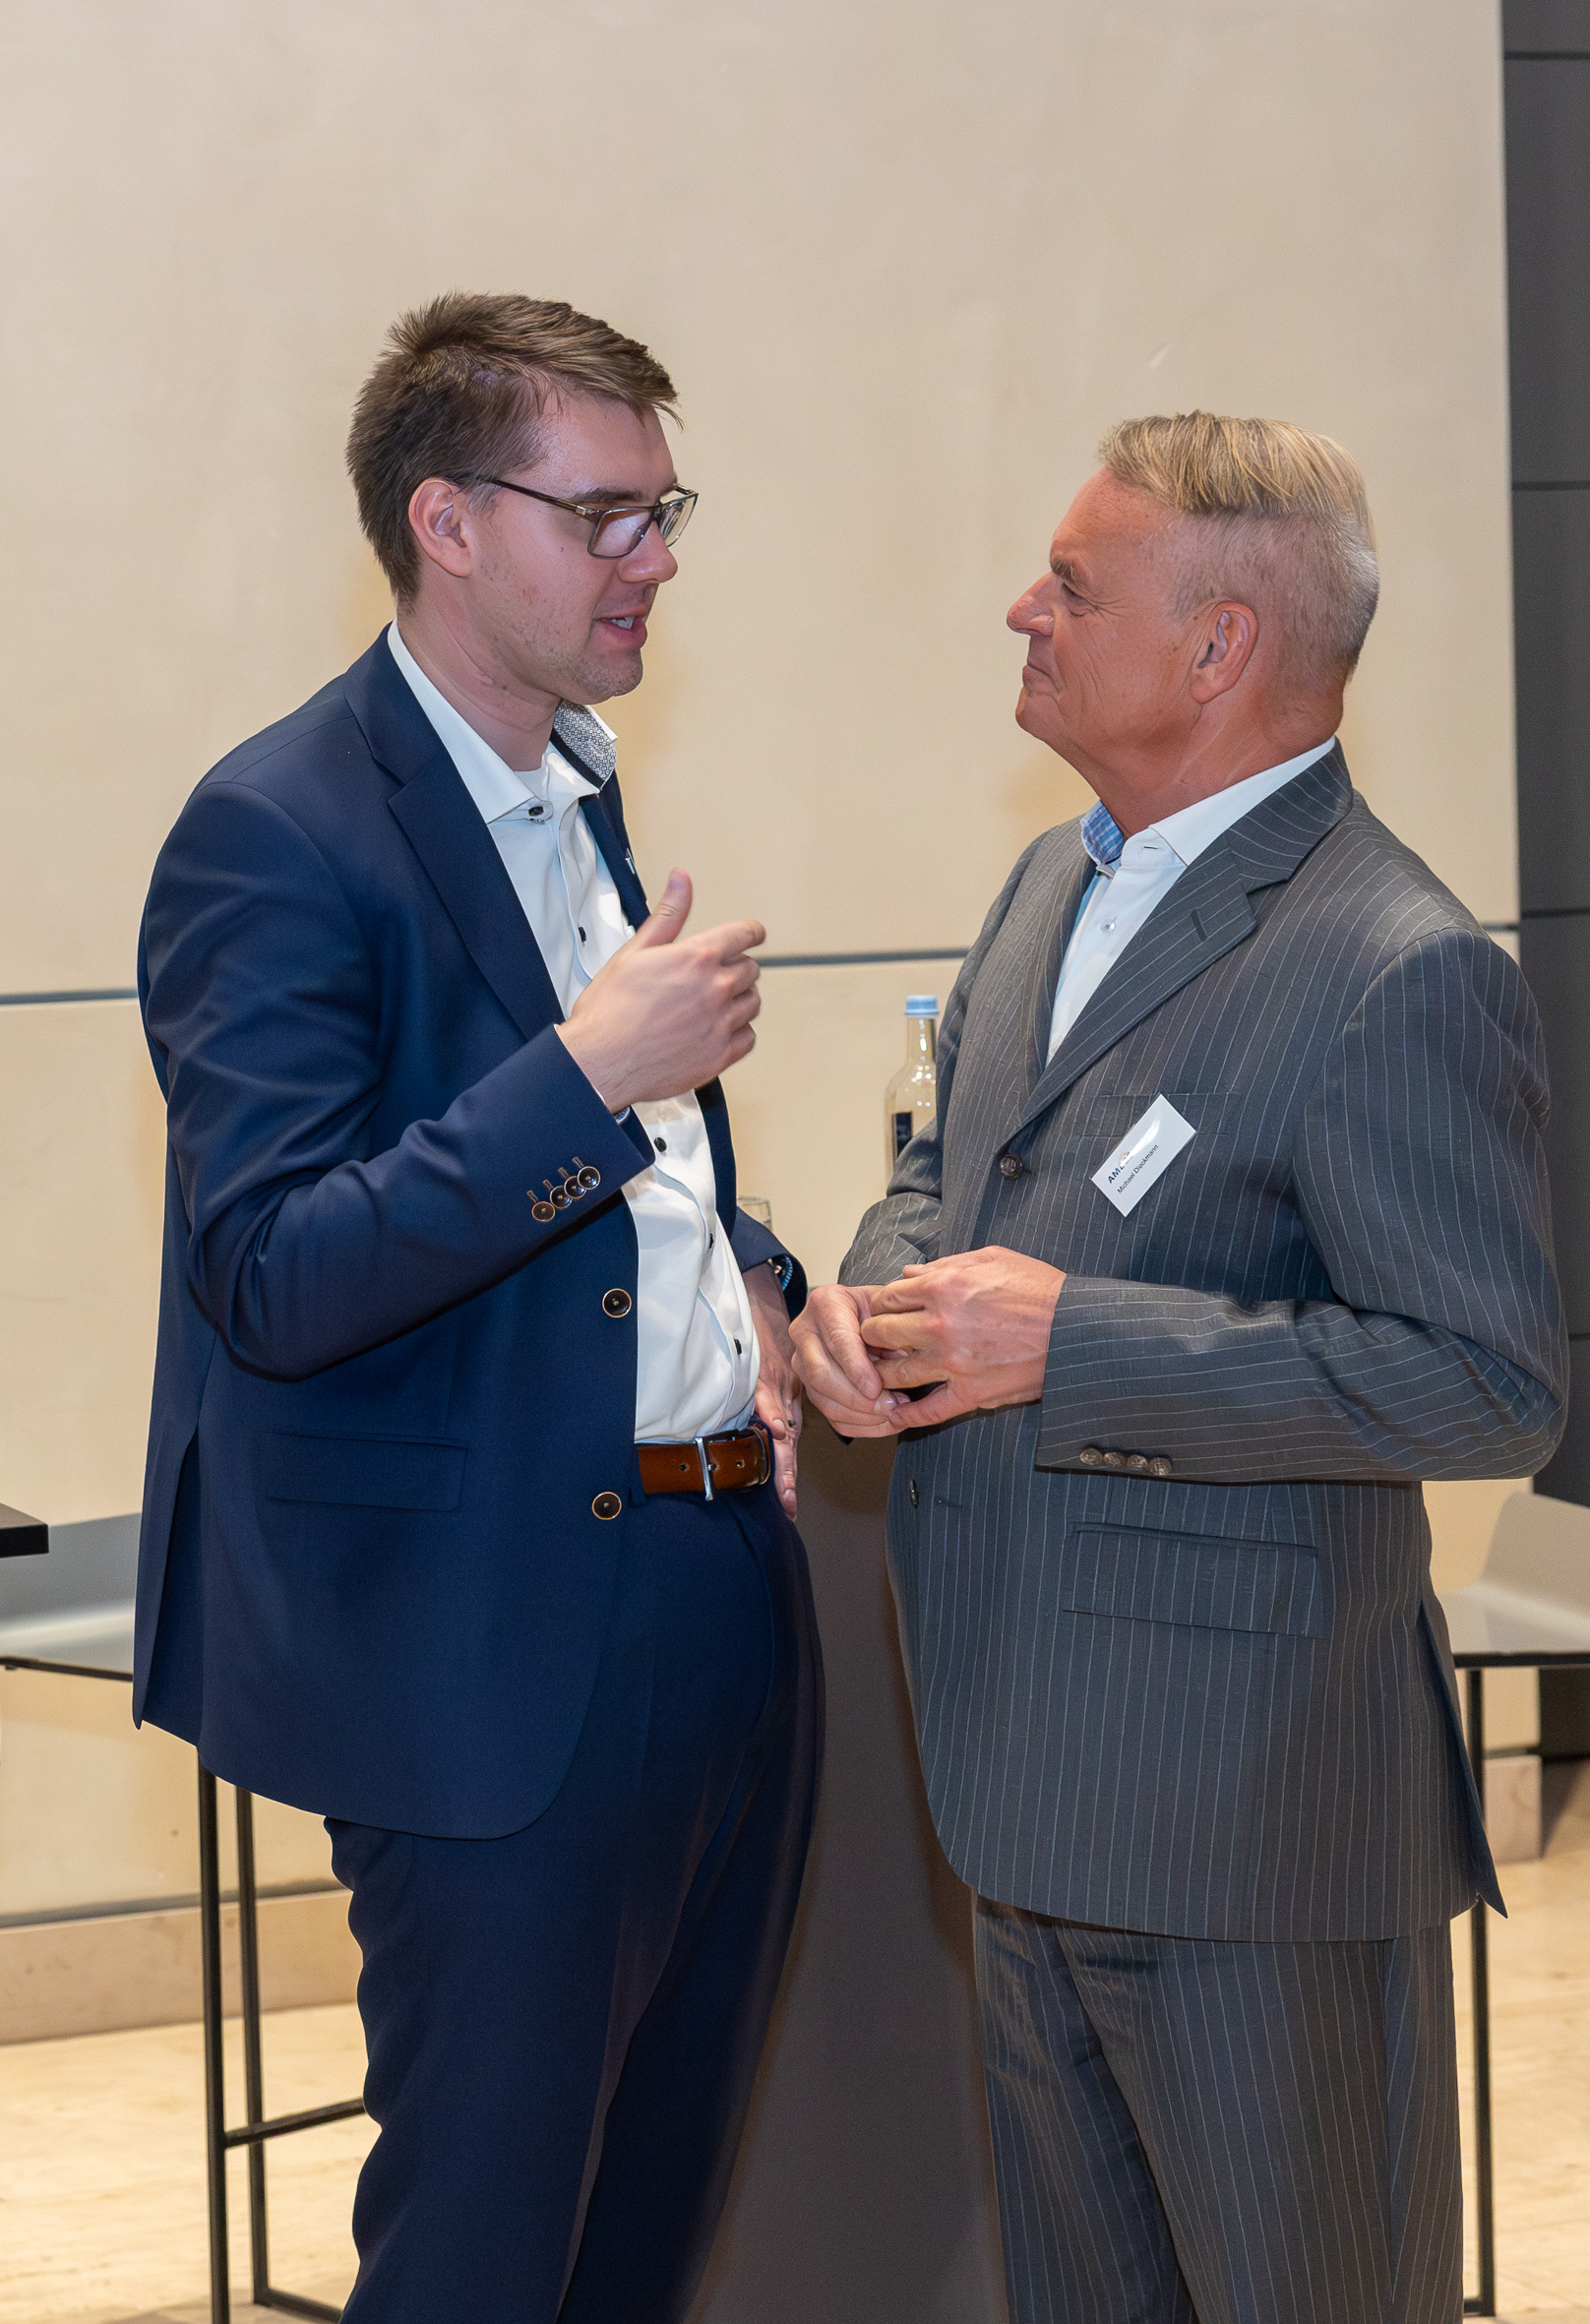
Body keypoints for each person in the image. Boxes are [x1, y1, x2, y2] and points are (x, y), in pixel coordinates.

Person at [793, 414, 1562, 2321]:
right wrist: (875, 1304)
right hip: (1016, 1782)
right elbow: (942, 1174)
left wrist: (1070, 1341)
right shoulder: (1048, 887)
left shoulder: (1394, 962)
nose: (1019, 610)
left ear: (1218, 647)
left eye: (1070, 585)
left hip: (1246, 1827)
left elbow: (1485, 1380)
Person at [133, 294, 820, 2321]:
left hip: (714, 1588)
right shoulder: (276, 828)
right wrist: (590, 1073)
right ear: (445, 521)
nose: (655, 558)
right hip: (496, 1641)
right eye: (604, 515)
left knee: (645, 2236)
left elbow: (633, 1207)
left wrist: (765, 1283)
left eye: (664, 509)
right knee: (483, 2253)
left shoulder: (572, 791)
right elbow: (271, 1270)